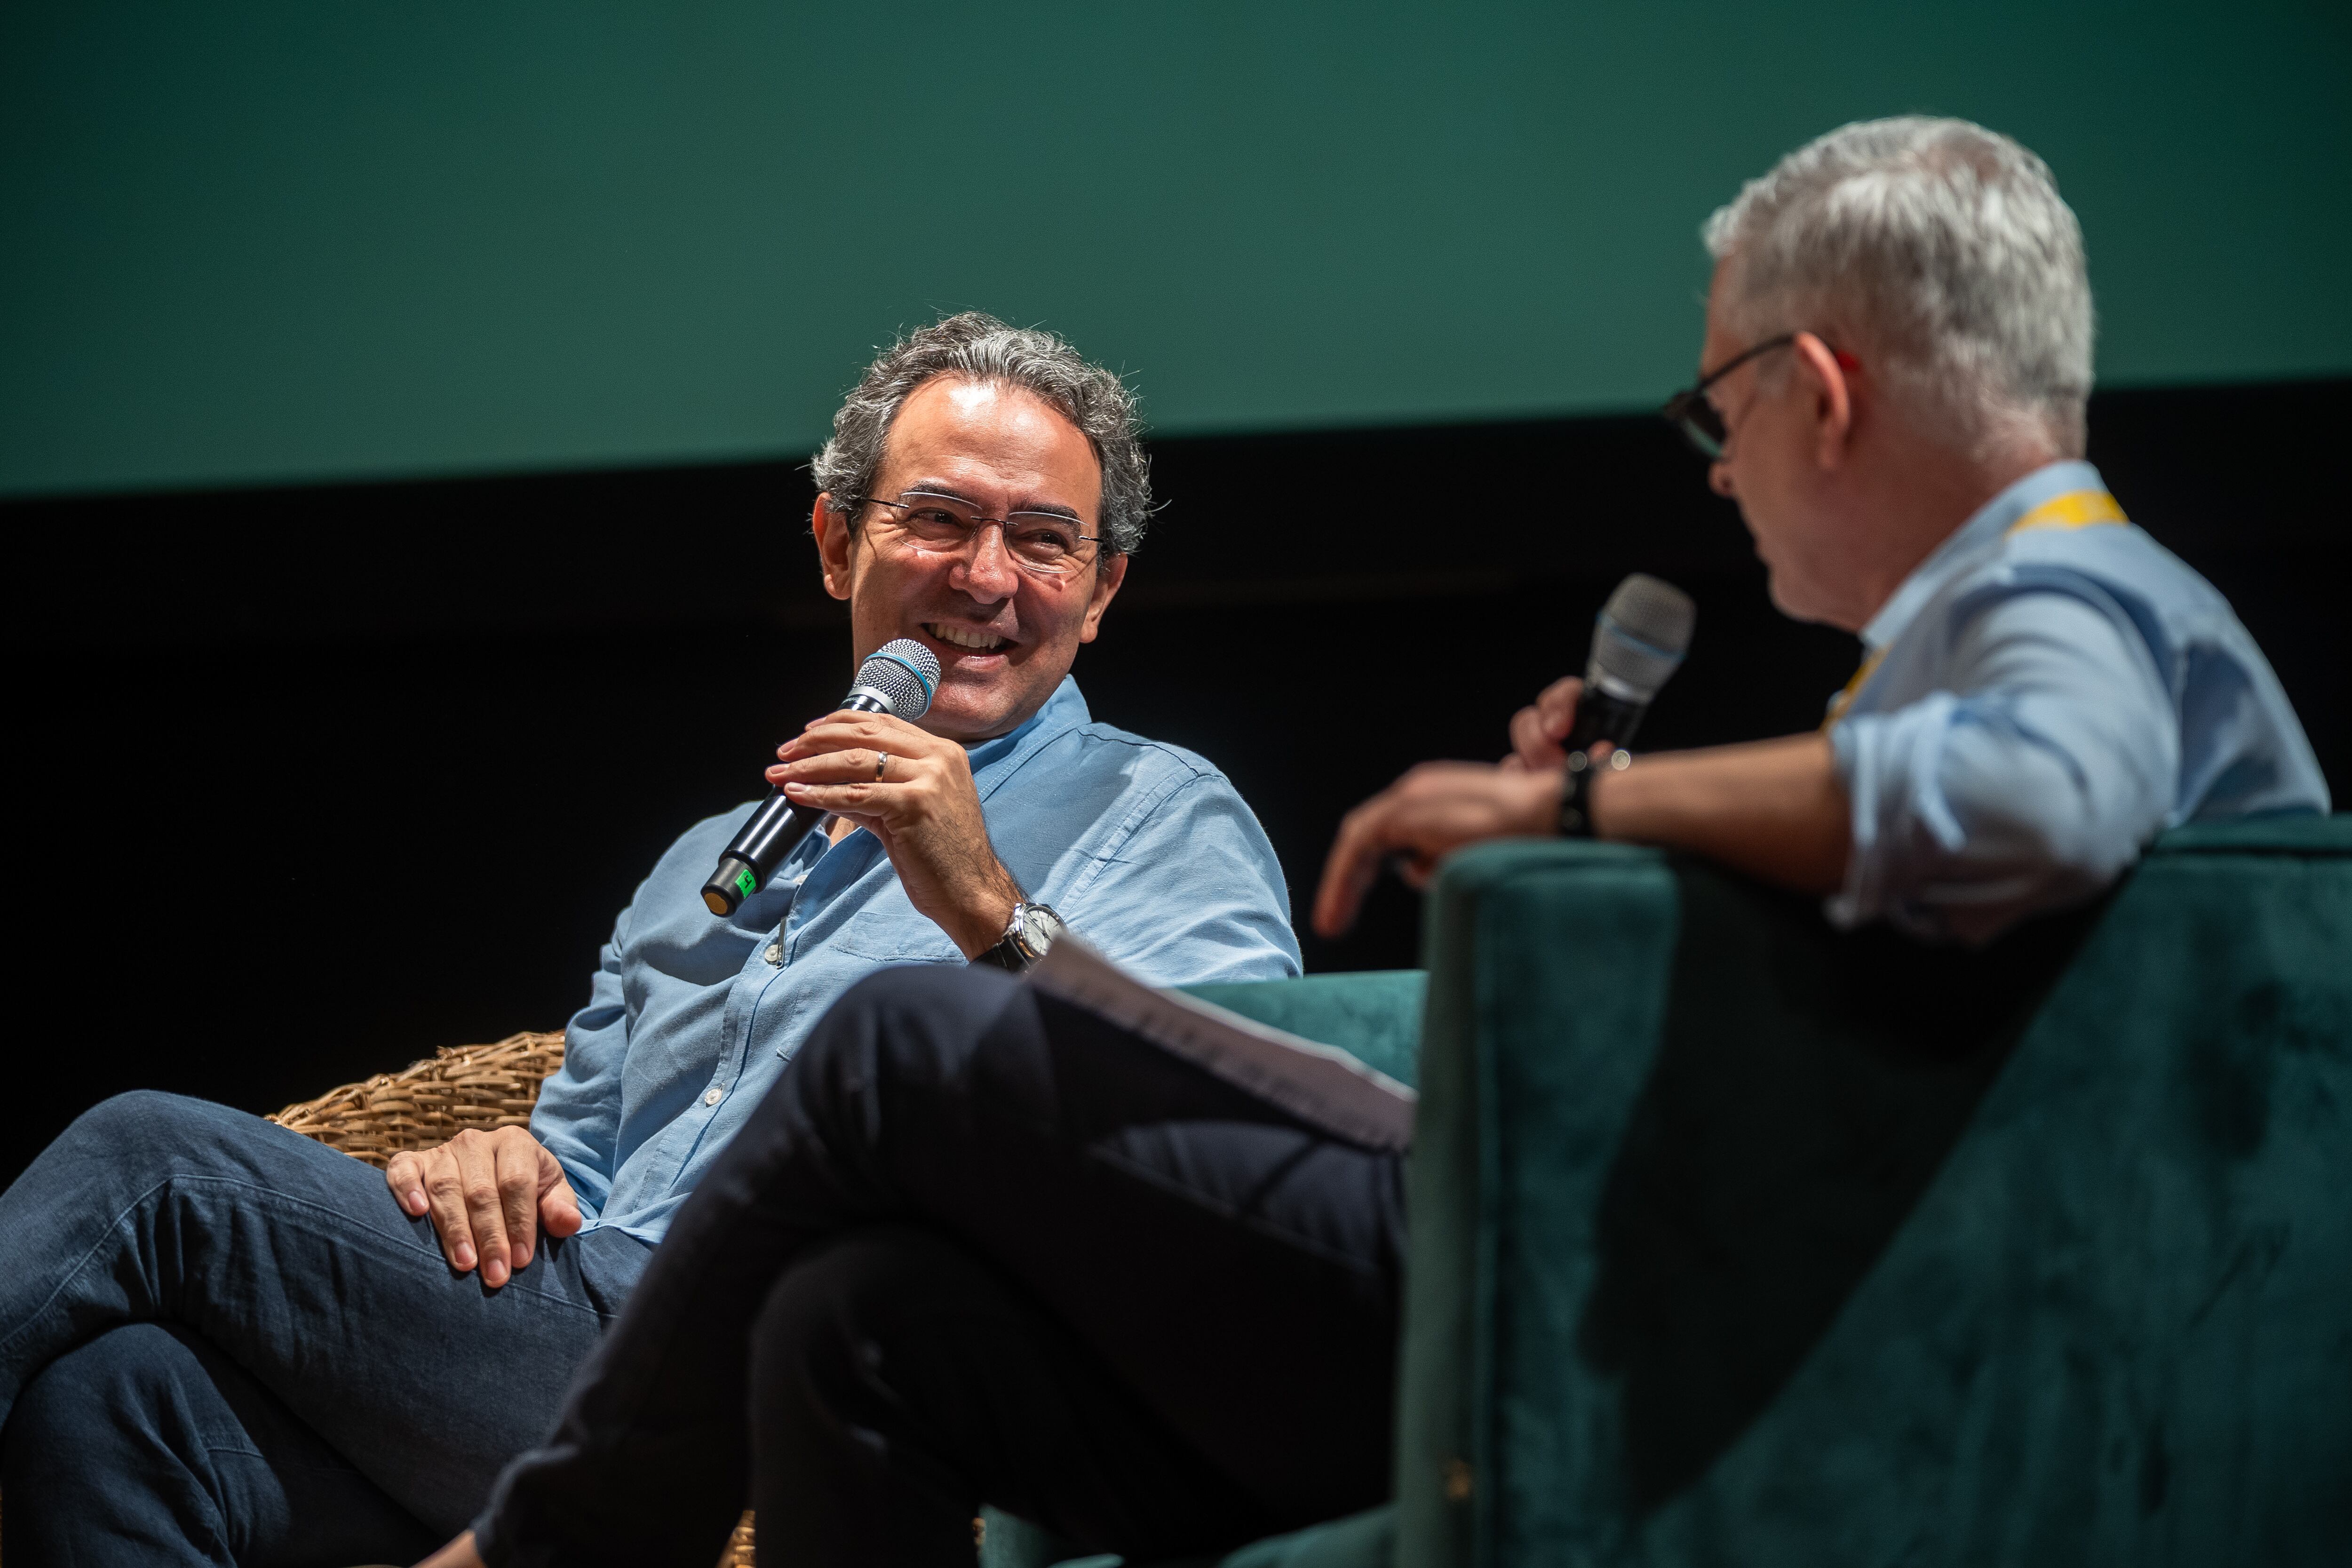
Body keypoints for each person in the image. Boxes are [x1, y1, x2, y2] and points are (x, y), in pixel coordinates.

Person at [425, 118, 2329, 1568]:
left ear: (1816, 393)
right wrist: (1623, 880)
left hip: (1672, 1286)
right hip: (1660, 1256)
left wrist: (1577, 810)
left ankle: (546, 1554)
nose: (1719, 465)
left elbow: (2028, 808)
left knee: (894, 1045)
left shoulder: (2059, 601)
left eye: (1714, 409)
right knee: (862, 1329)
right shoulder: (2021, 623)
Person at [0, 313, 1301, 1564]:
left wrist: (987, 907)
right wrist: (499, 1164)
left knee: (150, 1162)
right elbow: (576, 1172)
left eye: (1043, 541)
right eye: (942, 519)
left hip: (835, 1373)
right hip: (571, 1358)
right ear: (838, 544)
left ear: (1102, 589)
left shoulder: (1164, 813)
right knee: (119, 1401)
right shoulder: (704, 863)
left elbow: (1225, 1145)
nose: (985, 576)